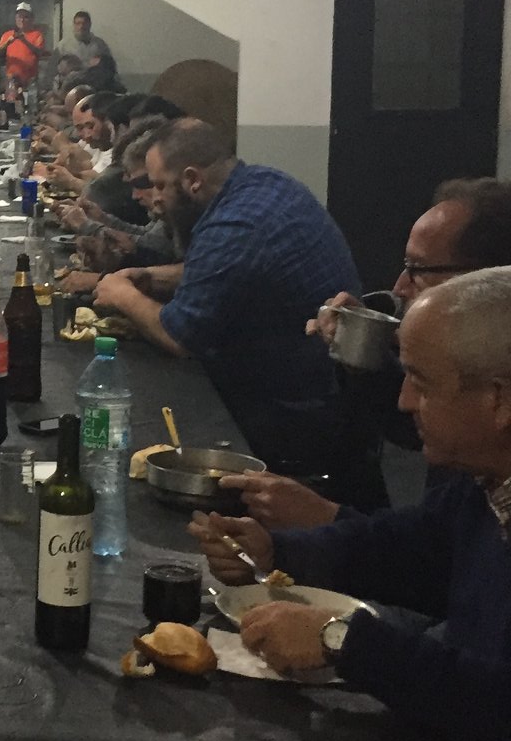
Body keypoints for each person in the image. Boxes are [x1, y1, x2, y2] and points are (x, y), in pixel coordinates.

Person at [189, 270, 511, 741]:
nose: (404, 402)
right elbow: (415, 549)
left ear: (500, 400)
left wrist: (342, 640)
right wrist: (278, 553)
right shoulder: (486, 481)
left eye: (421, 382)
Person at [94, 118, 379, 502]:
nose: (155, 197)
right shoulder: (264, 184)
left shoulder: (236, 223)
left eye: (160, 185)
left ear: (192, 180)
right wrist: (150, 277)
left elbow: (179, 335)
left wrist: (121, 294)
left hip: (298, 415)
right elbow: (223, 270)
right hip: (329, 398)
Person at [227, 175, 511, 530]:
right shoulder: (472, 448)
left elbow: (436, 554)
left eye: (418, 269)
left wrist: (325, 519)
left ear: (486, 279)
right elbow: (434, 531)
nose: (399, 287)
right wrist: (361, 354)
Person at [55, 10, 118, 90]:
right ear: (74, 25)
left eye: (84, 23)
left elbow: (110, 68)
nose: (81, 26)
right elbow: (52, 69)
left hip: (95, 88)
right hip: (70, 88)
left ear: (89, 24)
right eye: (78, 23)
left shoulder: (100, 45)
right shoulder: (63, 45)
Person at [0, 1, 48, 93]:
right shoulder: (7, 35)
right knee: (11, 101)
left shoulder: (37, 35)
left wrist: (24, 41)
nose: (22, 20)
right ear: (15, 19)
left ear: (32, 19)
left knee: (30, 101)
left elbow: (39, 52)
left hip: (30, 81)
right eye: (19, 17)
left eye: (26, 17)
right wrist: (7, 42)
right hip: (11, 80)